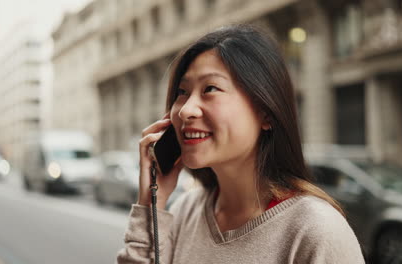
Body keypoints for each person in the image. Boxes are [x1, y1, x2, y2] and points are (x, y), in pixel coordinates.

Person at [117, 24, 365, 264]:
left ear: (266, 113)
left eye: (210, 88)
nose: (186, 110)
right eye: (182, 92)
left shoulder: (316, 230)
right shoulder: (186, 210)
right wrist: (151, 203)